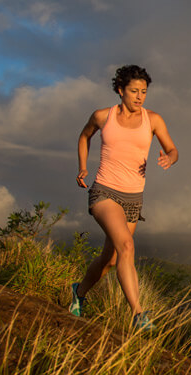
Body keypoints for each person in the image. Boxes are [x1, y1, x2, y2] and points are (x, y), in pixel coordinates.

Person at [70, 64, 178, 329]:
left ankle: (79, 293)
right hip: (104, 192)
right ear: (120, 90)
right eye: (134, 91)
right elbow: (84, 137)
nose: (139, 96)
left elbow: (173, 149)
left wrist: (169, 158)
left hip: (134, 199)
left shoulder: (153, 120)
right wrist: (82, 166)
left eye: (143, 91)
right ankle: (139, 314)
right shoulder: (102, 116)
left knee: (112, 260)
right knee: (127, 246)